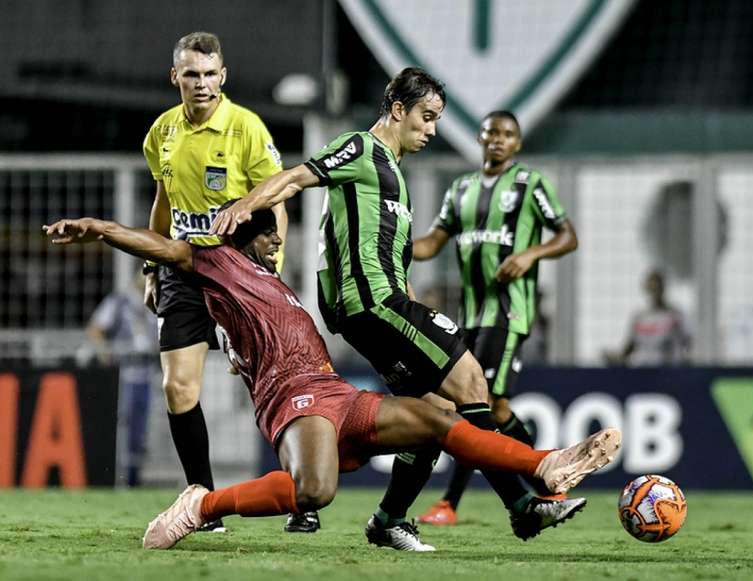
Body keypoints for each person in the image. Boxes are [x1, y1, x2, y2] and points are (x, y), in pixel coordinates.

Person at [43, 209, 621, 552]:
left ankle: (542, 464)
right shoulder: (219, 260)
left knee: (436, 421)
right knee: (315, 492)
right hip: (290, 397)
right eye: (271, 237)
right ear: (252, 236)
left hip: (333, 391)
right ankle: (200, 505)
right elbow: (164, 247)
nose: (277, 244)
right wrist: (98, 228)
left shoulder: (268, 277)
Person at [211, 69, 585, 547]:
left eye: (436, 120)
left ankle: (388, 519)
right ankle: (521, 505)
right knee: (472, 381)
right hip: (373, 303)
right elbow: (296, 178)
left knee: (433, 411)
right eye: (426, 117)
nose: (431, 129)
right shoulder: (362, 149)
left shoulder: (395, 175)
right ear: (398, 109)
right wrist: (246, 204)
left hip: (380, 305)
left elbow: (395, 253)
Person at [141, 31, 301, 532]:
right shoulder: (162, 132)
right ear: (176, 78)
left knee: (269, 385)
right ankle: (203, 503)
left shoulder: (247, 129)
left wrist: (268, 272)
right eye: (192, 74)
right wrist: (151, 267)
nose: (202, 83)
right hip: (183, 272)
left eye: (210, 74)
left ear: (223, 76)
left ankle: (305, 496)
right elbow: (164, 201)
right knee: (178, 386)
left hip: (237, 273)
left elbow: (275, 203)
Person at [411, 111, 578, 526]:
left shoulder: (530, 185)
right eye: (491, 134)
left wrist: (529, 254)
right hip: (469, 314)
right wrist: (391, 244)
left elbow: (567, 235)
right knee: (496, 411)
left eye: (507, 135)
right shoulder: (461, 189)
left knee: (475, 405)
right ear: (480, 140)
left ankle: (449, 502)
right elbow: (433, 242)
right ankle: (549, 476)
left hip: (508, 311)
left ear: (517, 144)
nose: (498, 141)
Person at [85, 271, 158, 487]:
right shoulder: (120, 302)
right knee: (121, 429)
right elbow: (96, 329)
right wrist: (106, 355)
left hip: (146, 375)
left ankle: (133, 478)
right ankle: (115, 477)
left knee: (140, 431)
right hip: (123, 376)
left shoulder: (156, 303)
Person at [604, 269, 691, 366]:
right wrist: (616, 358)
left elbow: (688, 342)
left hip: (668, 371)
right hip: (644, 372)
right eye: (652, 285)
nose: (655, 289)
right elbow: (630, 347)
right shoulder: (639, 317)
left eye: (658, 285)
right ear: (646, 288)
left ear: (663, 287)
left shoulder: (675, 316)